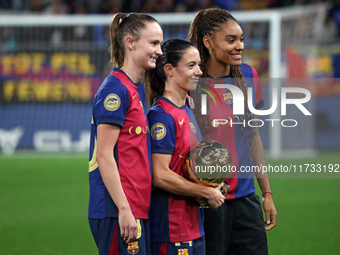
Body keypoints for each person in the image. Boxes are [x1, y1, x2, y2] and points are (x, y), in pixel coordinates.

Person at [188, 8, 277, 255]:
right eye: (231, 40)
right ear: (208, 42)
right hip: (205, 201)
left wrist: (266, 192)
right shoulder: (189, 83)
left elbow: (254, 137)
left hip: (246, 200)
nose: (240, 46)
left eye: (241, 39)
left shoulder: (248, 75)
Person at [88, 12, 163, 255]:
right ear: (130, 42)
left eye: (159, 44)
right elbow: (104, 155)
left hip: (136, 207)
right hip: (117, 209)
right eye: (153, 43)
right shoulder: (115, 89)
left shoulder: (135, 88)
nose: (159, 51)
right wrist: (123, 208)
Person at [146, 39, 226, 255]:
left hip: (193, 227)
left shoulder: (188, 109)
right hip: (170, 230)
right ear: (169, 70)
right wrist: (205, 191)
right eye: (191, 66)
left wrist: (210, 183)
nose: (199, 72)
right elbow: (160, 175)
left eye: (199, 65)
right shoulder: (161, 116)